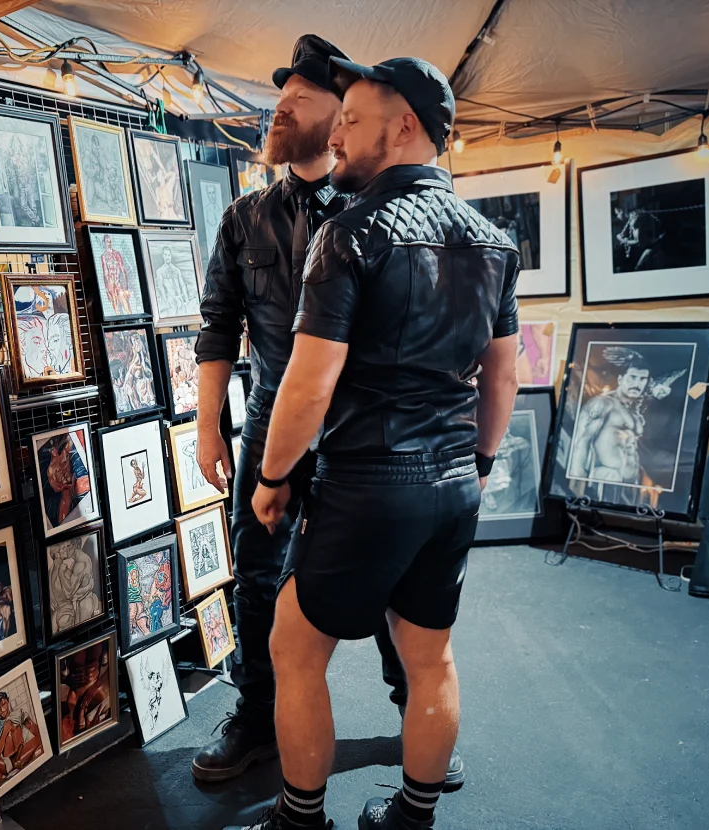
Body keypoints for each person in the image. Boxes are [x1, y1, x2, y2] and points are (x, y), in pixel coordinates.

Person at [225, 57, 521, 830]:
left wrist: (273, 475)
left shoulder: (347, 234)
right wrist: (479, 466)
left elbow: (309, 383)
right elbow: (500, 382)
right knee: (430, 657)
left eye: (354, 120)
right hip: (453, 482)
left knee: (293, 648)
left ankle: (299, 820)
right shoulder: (494, 241)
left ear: (405, 125)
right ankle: (411, 818)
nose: (341, 133)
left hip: (368, 484)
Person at [194, 35, 458, 788]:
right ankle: (257, 715)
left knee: (386, 576)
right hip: (274, 421)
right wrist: (208, 422)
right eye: (276, 103)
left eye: (293, 104)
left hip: (363, 431)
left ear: (336, 115)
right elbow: (218, 324)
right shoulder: (245, 218)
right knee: (254, 572)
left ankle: (418, 715)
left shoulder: (384, 210)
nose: (276, 116)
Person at [567, 349, 683, 499]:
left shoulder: (634, 413)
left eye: (642, 379)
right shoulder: (603, 403)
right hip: (604, 477)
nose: (637, 384)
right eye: (632, 377)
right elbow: (581, 441)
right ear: (621, 379)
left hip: (627, 488)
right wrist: (576, 484)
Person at [0, 690, 43, 781]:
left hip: (22, 752)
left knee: (15, 727)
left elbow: (35, 729)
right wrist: (4, 732)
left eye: (4, 704)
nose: (2, 710)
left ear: (8, 701)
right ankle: (3, 778)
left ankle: (18, 762)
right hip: (7, 762)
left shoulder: (19, 713)